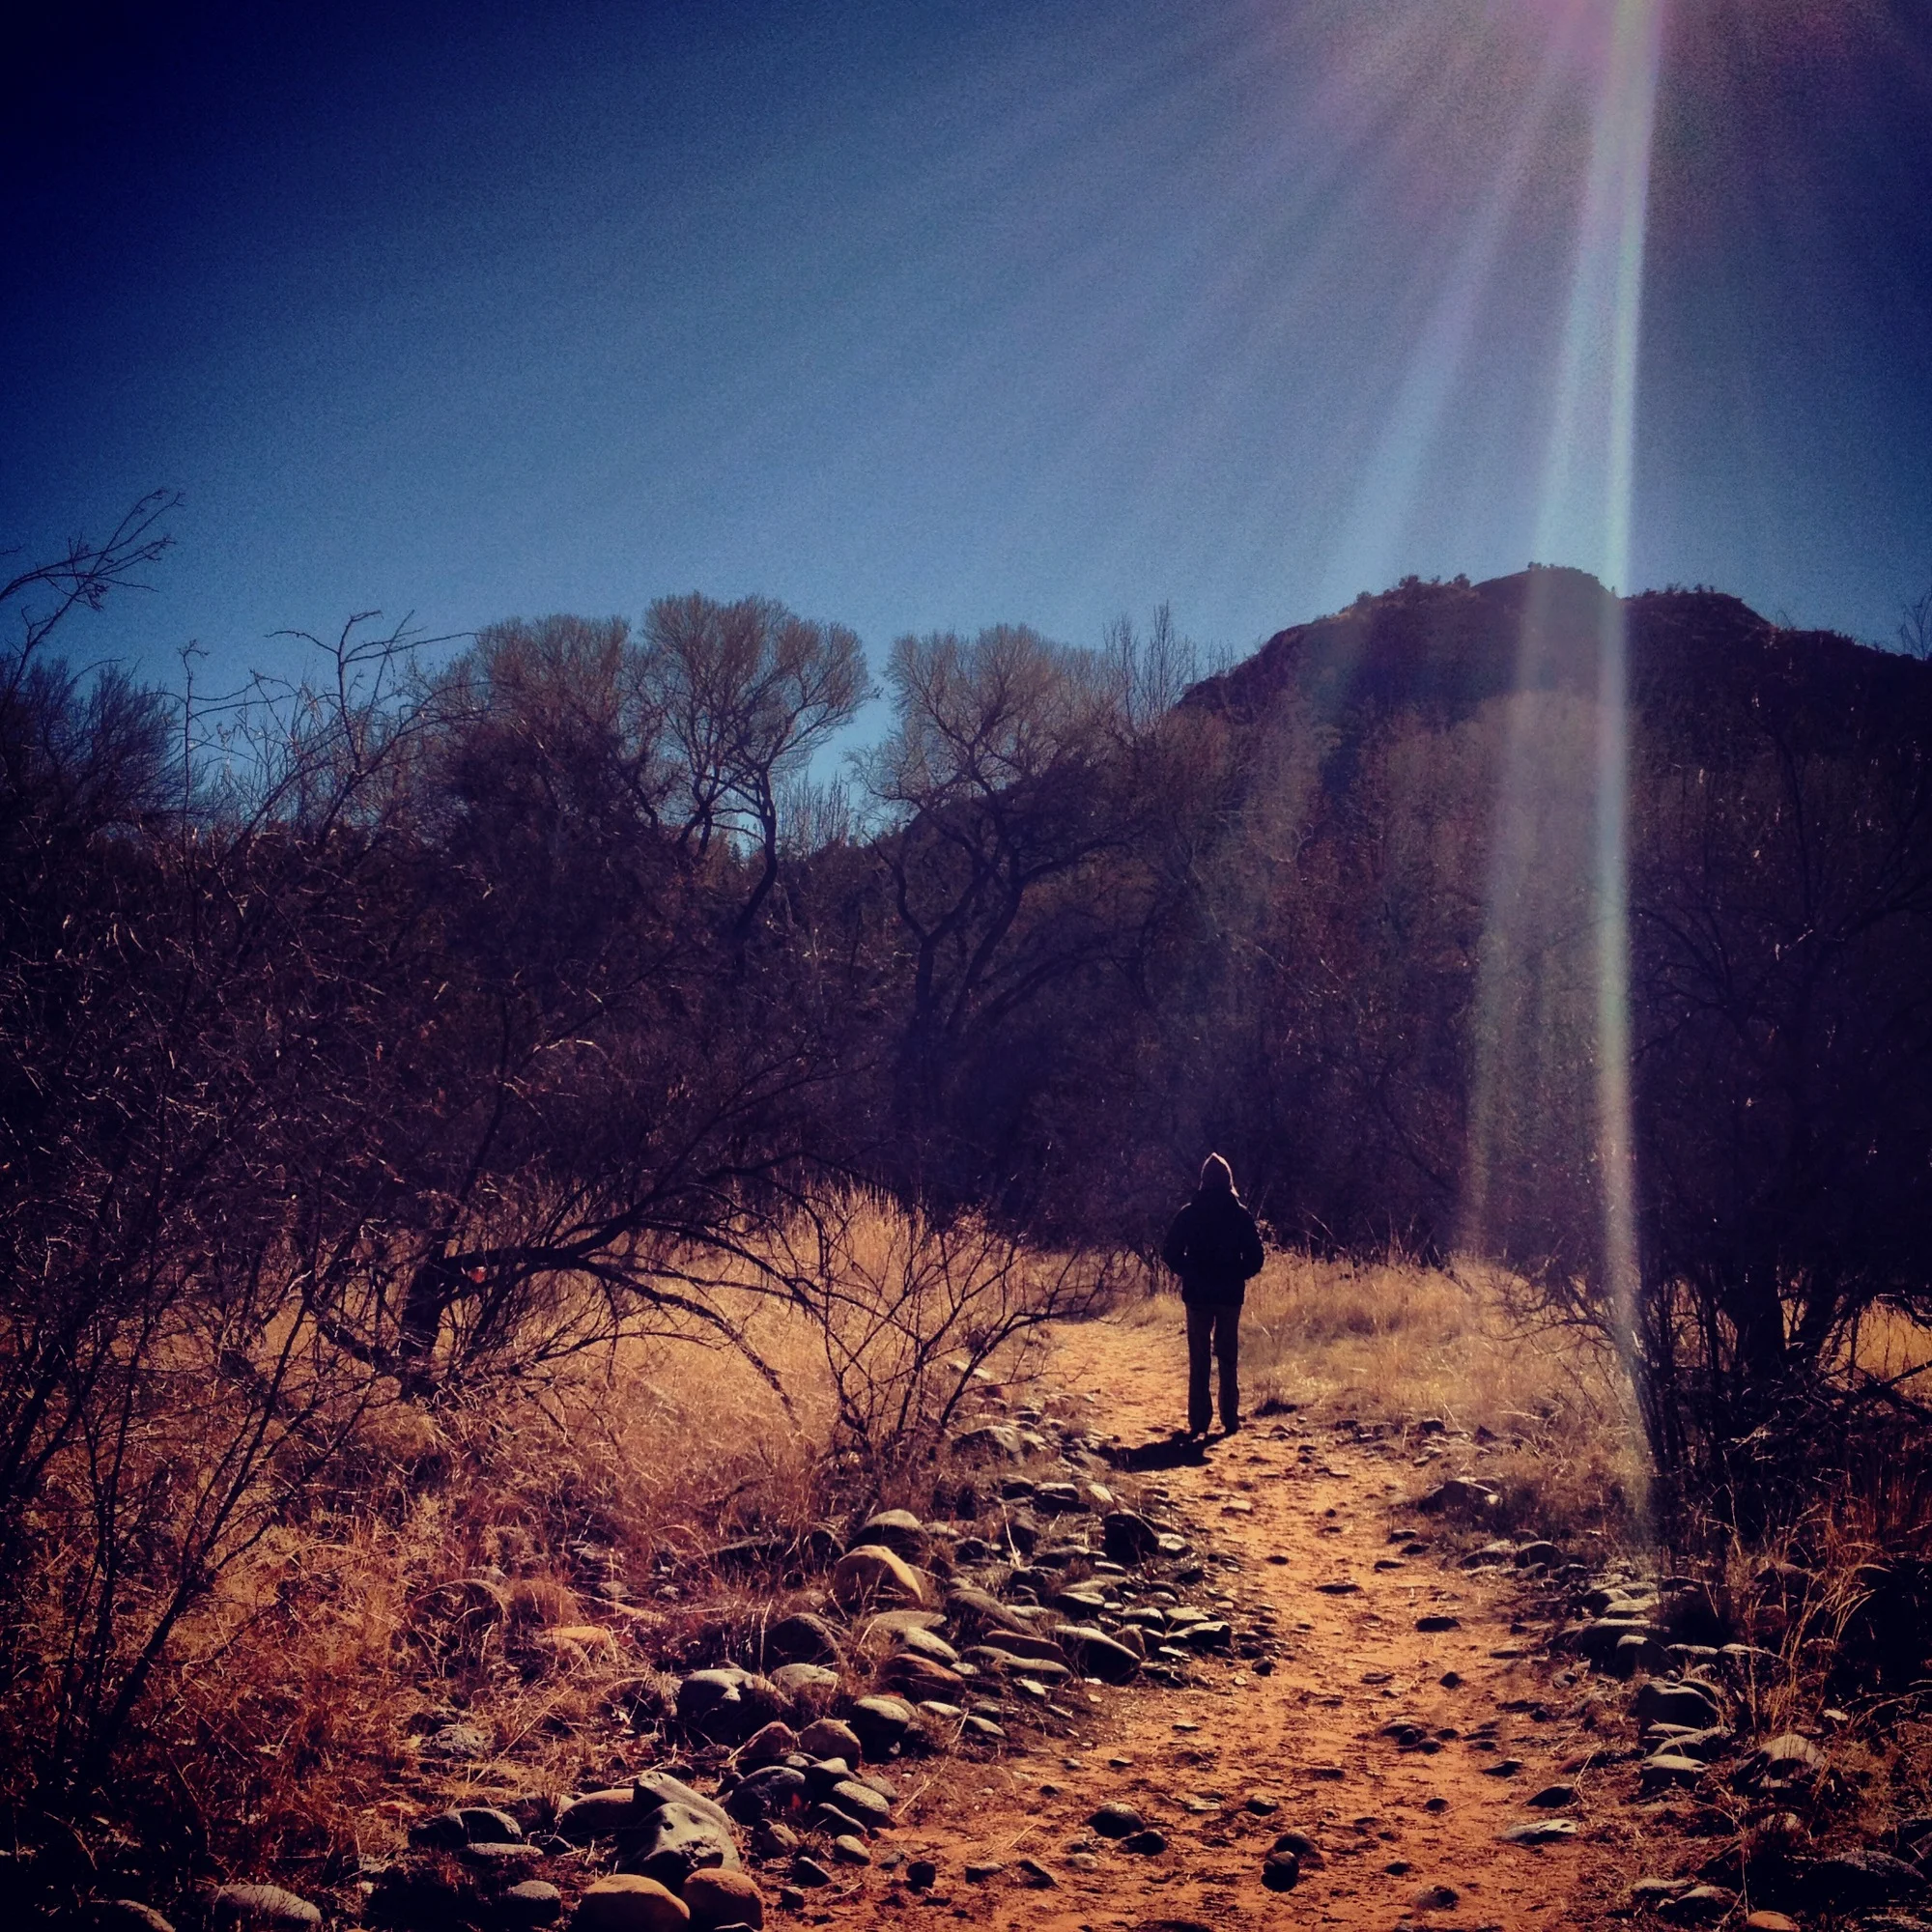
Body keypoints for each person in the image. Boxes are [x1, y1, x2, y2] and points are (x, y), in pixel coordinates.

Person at [1161, 1152, 1264, 1436]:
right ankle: (1229, 1419)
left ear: (1203, 1180)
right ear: (1229, 1181)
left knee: (1199, 1358)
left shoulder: (1189, 1213)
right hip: (1230, 1295)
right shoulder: (1239, 1214)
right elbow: (1256, 1257)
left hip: (1197, 1294)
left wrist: (1190, 1271)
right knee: (1228, 1356)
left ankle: (1198, 1422)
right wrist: (1236, 1273)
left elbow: (1169, 1251)